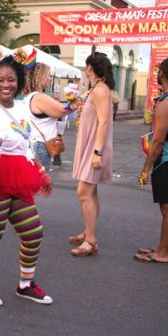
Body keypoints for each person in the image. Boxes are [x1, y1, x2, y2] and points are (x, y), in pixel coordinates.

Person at [0, 55, 53, 306]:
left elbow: (26, 146)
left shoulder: (22, 110)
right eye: (0, 80)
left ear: (18, 82)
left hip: (21, 177)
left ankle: (25, 284)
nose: (6, 84)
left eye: (11, 80)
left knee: (33, 232)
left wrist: (40, 172)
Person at [70, 52, 115, 257]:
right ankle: (89, 232)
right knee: (91, 192)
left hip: (95, 147)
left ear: (90, 68)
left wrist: (97, 152)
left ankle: (91, 241)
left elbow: (104, 122)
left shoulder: (100, 90)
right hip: (90, 146)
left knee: (83, 193)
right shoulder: (96, 89)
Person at [135, 57, 168, 264]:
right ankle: (163, 248)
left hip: (167, 162)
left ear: (163, 75)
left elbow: (157, 142)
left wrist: (145, 170)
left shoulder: (166, 104)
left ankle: (162, 253)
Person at [23, 62, 75, 171]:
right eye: (48, 75)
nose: (50, 78)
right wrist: (74, 104)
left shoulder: (30, 96)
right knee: (40, 182)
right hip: (40, 145)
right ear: (39, 77)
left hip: (36, 144)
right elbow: (62, 110)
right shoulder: (39, 97)